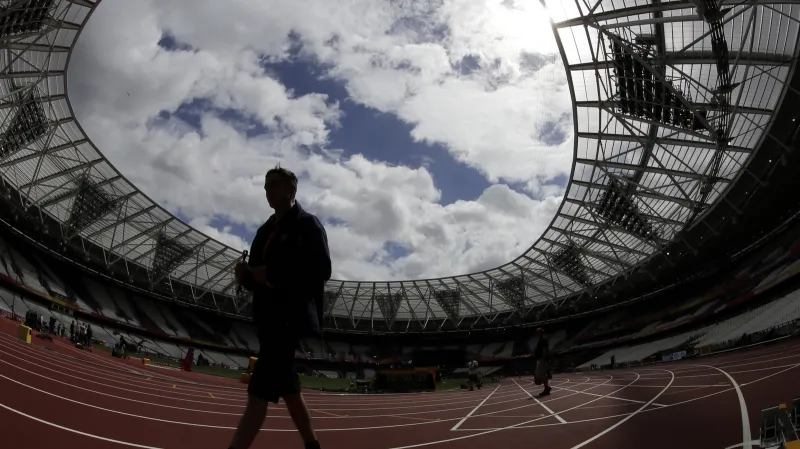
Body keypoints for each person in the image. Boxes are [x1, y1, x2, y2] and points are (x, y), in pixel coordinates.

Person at [229, 165, 331, 449]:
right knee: (289, 388)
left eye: (273, 185)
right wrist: (246, 277)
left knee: (258, 393)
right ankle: (312, 444)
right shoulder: (264, 231)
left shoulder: (308, 225)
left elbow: (322, 269)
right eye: (265, 186)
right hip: (267, 316)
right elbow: (258, 277)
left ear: (291, 189)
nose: (267, 191)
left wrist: (272, 273)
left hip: (289, 318)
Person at [533, 328, 551, 397]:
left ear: (540, 333)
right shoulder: (540, 341)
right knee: (540, 375)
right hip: (540, 360)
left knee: (540, 375)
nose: (536, 334)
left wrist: (543, 359)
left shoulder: (543, 340)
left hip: (542, 360)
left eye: (537, 332)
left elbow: (545, 350)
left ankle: (547, 388)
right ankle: (546, 388)